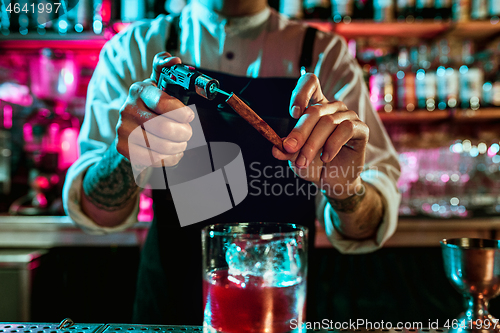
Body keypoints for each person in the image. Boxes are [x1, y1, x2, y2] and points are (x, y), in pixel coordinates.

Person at [63, 0, 401, 325]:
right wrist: (126, 157)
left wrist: (344, 187)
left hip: (281, 302)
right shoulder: (134, 48)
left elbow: (366, 228)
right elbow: (99, 214)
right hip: (171, 309)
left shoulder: (326, 56)